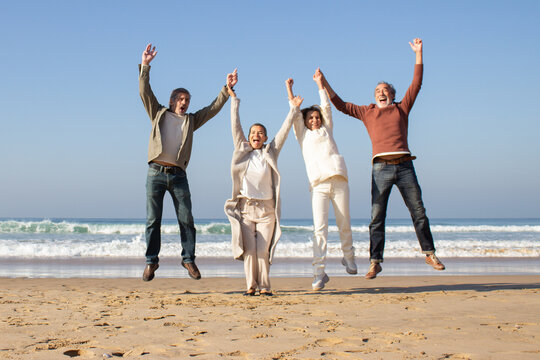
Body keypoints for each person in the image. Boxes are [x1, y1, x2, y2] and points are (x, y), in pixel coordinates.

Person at [320, 38, 445, 279]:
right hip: (381, 169)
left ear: (393, 95)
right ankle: (375, 261)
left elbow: (417, 84)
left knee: (418, 211)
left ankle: (429, 252)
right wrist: (323, 82)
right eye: (378, 91)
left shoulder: (402, 108)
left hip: (405, 166)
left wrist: (418, 53)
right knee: (377, 217)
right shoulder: (367, 112)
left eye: (385, 90)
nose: (381, 93)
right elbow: (341, 105)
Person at [139, 43, 237, 281]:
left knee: (187, 219)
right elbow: (144, 91)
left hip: (178, 175)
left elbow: (212, 109)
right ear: (172, 100)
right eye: (181, 98)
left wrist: (227, 88)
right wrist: (145, 66)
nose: (185, 102)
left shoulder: (191, 121)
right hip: (156, 173)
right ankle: (151, 262)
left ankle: (188, 259)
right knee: (153, 221)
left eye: (187, 99)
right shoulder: (158, 113)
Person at [224, 71, 303, 296]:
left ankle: (265, 287)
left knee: (263, 250)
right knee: (250, 250)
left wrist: (293, 108)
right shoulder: (242, 151)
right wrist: (234, 99)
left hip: (267, 209)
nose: (256, 135)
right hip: (246, 209)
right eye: (253, 133)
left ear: (265, 138)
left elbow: (285, 131)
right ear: (248, 137)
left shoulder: (271, 152)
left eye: (260, 133)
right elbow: (235, 125)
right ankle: (251, 286)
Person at [286, 72, 356, 291]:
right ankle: (318, 273)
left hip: (339, 180)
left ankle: (348, 257)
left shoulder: (327, 129)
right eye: (311, 118)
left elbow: (326, 107)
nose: (315, 120)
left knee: (344, 222)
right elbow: (295, 116)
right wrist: (289, 92)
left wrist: (320, 84)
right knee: (320, 229)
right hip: (319, 185)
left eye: (317, 117)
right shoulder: (302, 135)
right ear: (306, 122)